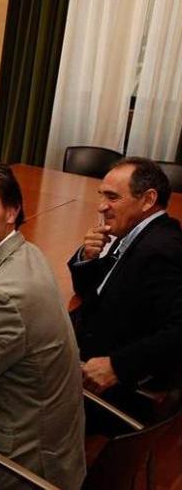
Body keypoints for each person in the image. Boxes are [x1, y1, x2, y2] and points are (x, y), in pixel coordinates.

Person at [0, 158, 85, 489]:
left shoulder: (2, 296)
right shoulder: (25, 252)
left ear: (11, 212)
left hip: (18, 468)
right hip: (50, 443)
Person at [68, 158, 182, 411]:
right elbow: (92, 291)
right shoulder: (138, 233)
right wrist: (88, 258)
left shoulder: (160, 249)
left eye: (112, 197)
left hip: (112, 388)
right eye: (101, 196)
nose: (101, 207)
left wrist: (118, 366)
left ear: (148, 200)